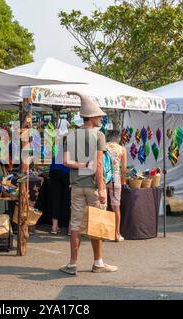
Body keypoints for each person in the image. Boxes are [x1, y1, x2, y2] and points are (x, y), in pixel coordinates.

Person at [60, 91, 118, 275]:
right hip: (93, 186)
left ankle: (72, 264)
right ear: (92, 117)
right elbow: (99, 164)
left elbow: (65, 162)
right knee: (97, 223)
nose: (101, 118)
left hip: (76, 186)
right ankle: (98, 263)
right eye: (99, 115)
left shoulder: (70, 135)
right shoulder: (98, 135)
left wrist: (82, 165)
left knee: (75, 225)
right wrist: (102, 188)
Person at [106, 130, 127, 242]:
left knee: (102, 206)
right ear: (119, 138)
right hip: (116, 179)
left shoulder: (104, 147)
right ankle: (116, 234)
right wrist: (123, 181)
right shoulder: (122, 149)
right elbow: (124, 169)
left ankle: (102, 233)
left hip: (104, 179)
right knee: (116, 207)